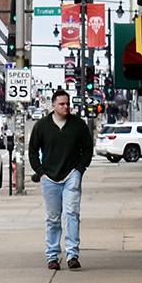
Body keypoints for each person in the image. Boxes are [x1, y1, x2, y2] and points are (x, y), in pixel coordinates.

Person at [27, 87, 93, 270]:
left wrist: (79, 169)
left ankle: (72, 254)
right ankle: (52, 256)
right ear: (53, 105)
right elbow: (33, 151)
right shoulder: (42, 126)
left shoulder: (78, 125)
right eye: (62, 104)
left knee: (72, 214)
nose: (66, 107)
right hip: (49, 178)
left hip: (72, 175)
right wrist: (41, 172)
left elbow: (87, 149)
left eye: (67, 104)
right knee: (53, 218)